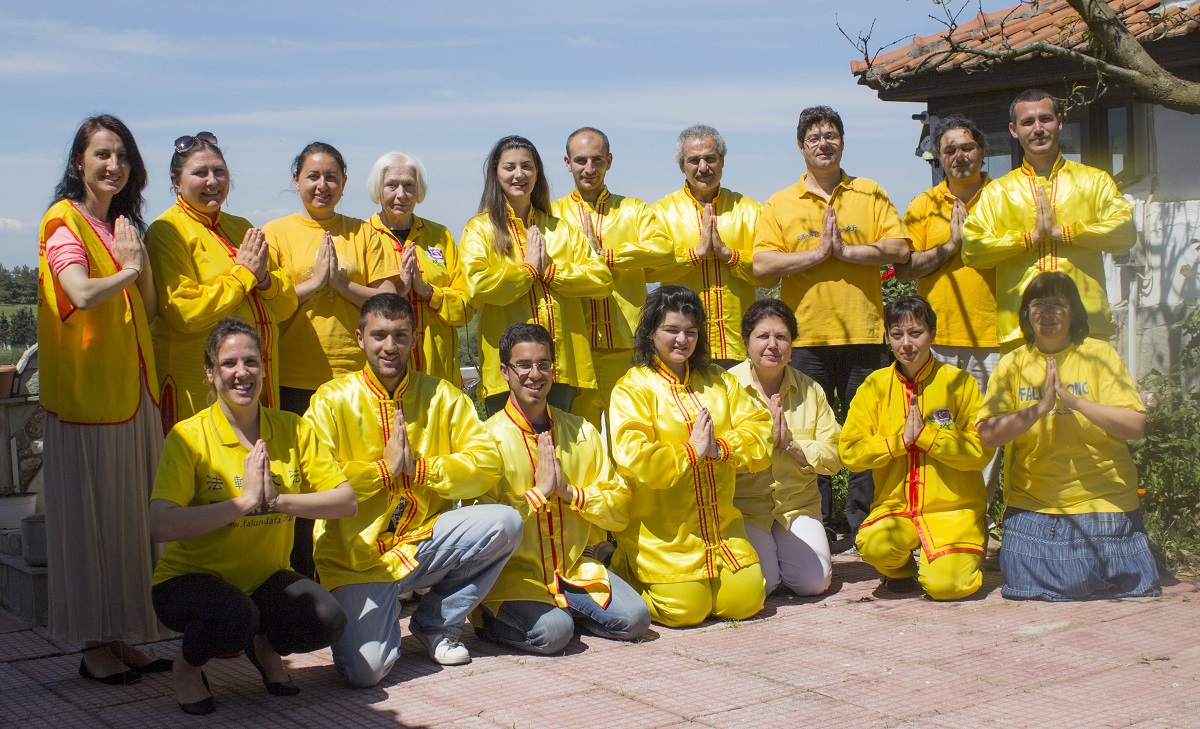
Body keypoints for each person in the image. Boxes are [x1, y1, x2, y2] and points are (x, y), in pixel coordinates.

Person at [305, 293, 521, 687]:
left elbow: (488, 464)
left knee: (505, 522)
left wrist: (422, 469)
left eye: (400, 336)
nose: (390, 346)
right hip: (356, 559)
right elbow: (316, 480)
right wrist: (383, 471)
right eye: (379, 335)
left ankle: (437, 623)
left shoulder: (442, 396)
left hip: (422, 541)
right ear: (360, 338)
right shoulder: (331, 401)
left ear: (414, 339)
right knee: (365, 674)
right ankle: (372, 609)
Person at [149, 318, 357, 715]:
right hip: (189, 582)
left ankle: (264, 646)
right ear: (210, 373)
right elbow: (161, 524)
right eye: (228, 363)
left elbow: (346, 501)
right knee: (232, 617)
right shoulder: (188, 436)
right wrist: (243, 502)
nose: (241, 373)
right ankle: (187, 667)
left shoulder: (292, 429)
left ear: (264, 368)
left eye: (251, 361)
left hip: (264, 579)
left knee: (326, 619)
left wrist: (276, 500)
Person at [37, 114, 166, 684]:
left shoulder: (121, 225)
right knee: (89, 524)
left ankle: (117, 636)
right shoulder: (63, 221)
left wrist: (138, 265)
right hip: (88, 399)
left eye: (123, 156)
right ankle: (93, 645)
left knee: (127, 521)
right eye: (102, 155)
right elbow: (80, 292)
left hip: (132, 393)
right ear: (78, 162)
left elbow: (150, 308)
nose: (114, 165)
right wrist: (130, 267)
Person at [752, 105, 910, 542]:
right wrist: (816, 255)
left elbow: (900, 248)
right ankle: (815, 524)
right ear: (800, 146)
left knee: (866, 433)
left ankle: (865, 526)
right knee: (807, 434)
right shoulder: (781, 202)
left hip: (864, 334)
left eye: (831, 136)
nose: (824, 144)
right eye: (814, 138)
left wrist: (848, 253)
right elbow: (761, 266)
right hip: (805, 340)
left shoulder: (870, 193)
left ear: (842, 141)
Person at [977, 272, 1160, 601]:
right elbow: (987, 436)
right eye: (1039, 304)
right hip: (1034, 504)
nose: (1047, 313)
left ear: (1073, 312)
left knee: (1073, 573)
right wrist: (1040, 408)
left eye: (1058, 304)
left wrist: (1074, 401)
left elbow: (1135, 426)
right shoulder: (1012, 364)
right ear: (1026, 313)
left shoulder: (1099, 355)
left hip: (1102, 499)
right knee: (1033, 577)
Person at [264, 141, 397, 578]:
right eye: (313, 176)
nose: (322, 185)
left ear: (344, 182)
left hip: (354, 379)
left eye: (331, 177)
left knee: (358, 475)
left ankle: (360, 569)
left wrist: (339, 285)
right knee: (300, 479)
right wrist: (313, 284)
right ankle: (302, 574)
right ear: (296, 180)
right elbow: (266, 304)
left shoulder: (364, 233)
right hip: (293, 376)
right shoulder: (275, 234)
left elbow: (389, 301)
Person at [475, 323, 650, 654]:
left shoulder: (581, 431)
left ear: (553, 371)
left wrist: (569, 493)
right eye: (523, 365)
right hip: (515, 578)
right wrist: (539, 493)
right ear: (504, 371)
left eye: (543, 364)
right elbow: (481, 527)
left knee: (635, 619)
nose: (535, 374)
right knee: (554, 634)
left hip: (574, 570)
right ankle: (493, 619)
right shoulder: (485, 439)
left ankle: (567, 612)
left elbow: (619, 509)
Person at [608, 285, 773, 627]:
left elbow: (761, 431)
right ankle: (624, 567)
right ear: (650, 332)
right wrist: (690, 452)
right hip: (664, 537)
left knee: (747, 600)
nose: (682, 340)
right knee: (686, 611)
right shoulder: (632, 388)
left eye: (691, 331)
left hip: (722, 531)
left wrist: (719, 448)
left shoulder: (719, 381)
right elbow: (636, 458)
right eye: (671, 330)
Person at [839, 297, 994, 600]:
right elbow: (850, 452)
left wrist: (929, 438)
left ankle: (960, 550)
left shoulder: (959, 383)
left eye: (916, 333)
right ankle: (900, 570)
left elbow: (980, 451)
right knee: (876, 544)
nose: (906, 344)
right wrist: (899, 443)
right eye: (897, 335)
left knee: (947, 587)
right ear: (888, 337)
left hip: (953, 513)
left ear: (932, 334)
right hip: (897, 511)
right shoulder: (875, 386)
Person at [962, 89, 1135, 352]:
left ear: (1060, 122)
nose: (1038, 129)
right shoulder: (998, 192)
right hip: (1020, 330)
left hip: (1087, 326)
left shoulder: (1094, 181)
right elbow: (971, 250)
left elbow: (1125, 232)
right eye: (1028, 122)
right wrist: (1028, 238)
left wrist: (1064, 233)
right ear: (1014, 130)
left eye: (1045, 119)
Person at [148, 131, 298, 429]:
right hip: (197, 381)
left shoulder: (241, 227)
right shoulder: (167, 230)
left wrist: (264, 279)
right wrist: (243, 275)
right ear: (176, 181)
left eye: (219, 171)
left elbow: (286, 306)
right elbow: (184, 311)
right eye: (200, 173)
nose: (212, 181)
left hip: (255, 381)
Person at [461, 135, 613, 416]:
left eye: (527, 166)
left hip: (560, 367)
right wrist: (528, 271)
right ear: (496, 173)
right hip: (508, 372)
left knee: (562, 442)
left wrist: (551, 272)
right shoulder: (480, 229)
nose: (519, 174)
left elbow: (602, 280)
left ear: (537, 173)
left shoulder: (561, 230)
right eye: (509, 167)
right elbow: (476, 286)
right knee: (509, 443)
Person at [896, 115, 1001, 496]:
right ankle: (939, 508)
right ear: (939, 158)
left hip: (995, 337)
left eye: (967, 147)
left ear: (982, 152)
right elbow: (904, 269)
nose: (959, 156)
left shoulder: (1004, 198)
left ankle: (980, 513)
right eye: (950, 150)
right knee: (937, 427)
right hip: (936, 339)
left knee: (986, 432)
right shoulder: (924, 205)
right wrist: (951, 246)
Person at [550, 127, 674, 430]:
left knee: (631, 433)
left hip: (626, 344)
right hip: (576, 347)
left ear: (609, 161)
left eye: (597, 160)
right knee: (578, 437)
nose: (589, 169)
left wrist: (606, 256)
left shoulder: (632, 209)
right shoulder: (552, 216)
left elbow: (664, 249)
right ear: (567, 163)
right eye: (581, 160)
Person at [730, 299, 841, 596]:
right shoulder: (726, 388)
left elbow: (834, 457)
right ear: (746, 341)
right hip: (745, 508)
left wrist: (790, 444)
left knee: (813, 583)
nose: (773, 345)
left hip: (797, 506)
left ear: (792, 345)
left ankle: (781, 559)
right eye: (762, 336)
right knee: (762, 585)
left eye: (781, 337)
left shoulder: (811, 390)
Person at [650, 125, 765, 367]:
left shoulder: (750, 210)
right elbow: (648, 271)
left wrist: (729, 255)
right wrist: (695, 255)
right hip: (682, 346)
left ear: (722, 160)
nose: (703, 167)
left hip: (740, 342)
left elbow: (769, 277)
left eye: (710, 158)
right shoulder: (660, 213)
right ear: (681, 166)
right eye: (694, 160)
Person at [366, 150, 471, 386]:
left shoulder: (440, 236)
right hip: (384, 373)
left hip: (438, 371)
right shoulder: (362, 236)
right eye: (391, 185)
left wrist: (427, 291)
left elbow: (466, 307)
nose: (401, 194)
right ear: (378, 189)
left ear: (419, 190)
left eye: (409, 185)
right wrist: (398, 291)